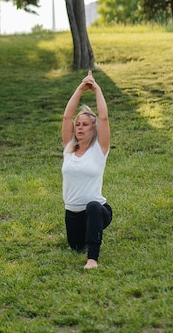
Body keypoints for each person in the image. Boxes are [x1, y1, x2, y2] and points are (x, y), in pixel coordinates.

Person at [61, 70, 112, 269]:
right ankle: (90, 234)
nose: (79, 128)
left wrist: (97, 89)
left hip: (97, 210)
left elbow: (104, 117)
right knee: (75, 246)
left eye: (85, 125)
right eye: (78, 125)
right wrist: (80, 88)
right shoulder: (69, 149)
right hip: (72, 213)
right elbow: (66, 117)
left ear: (94, 129)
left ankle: (93, 259)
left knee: (92, 206)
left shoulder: (99, 150)